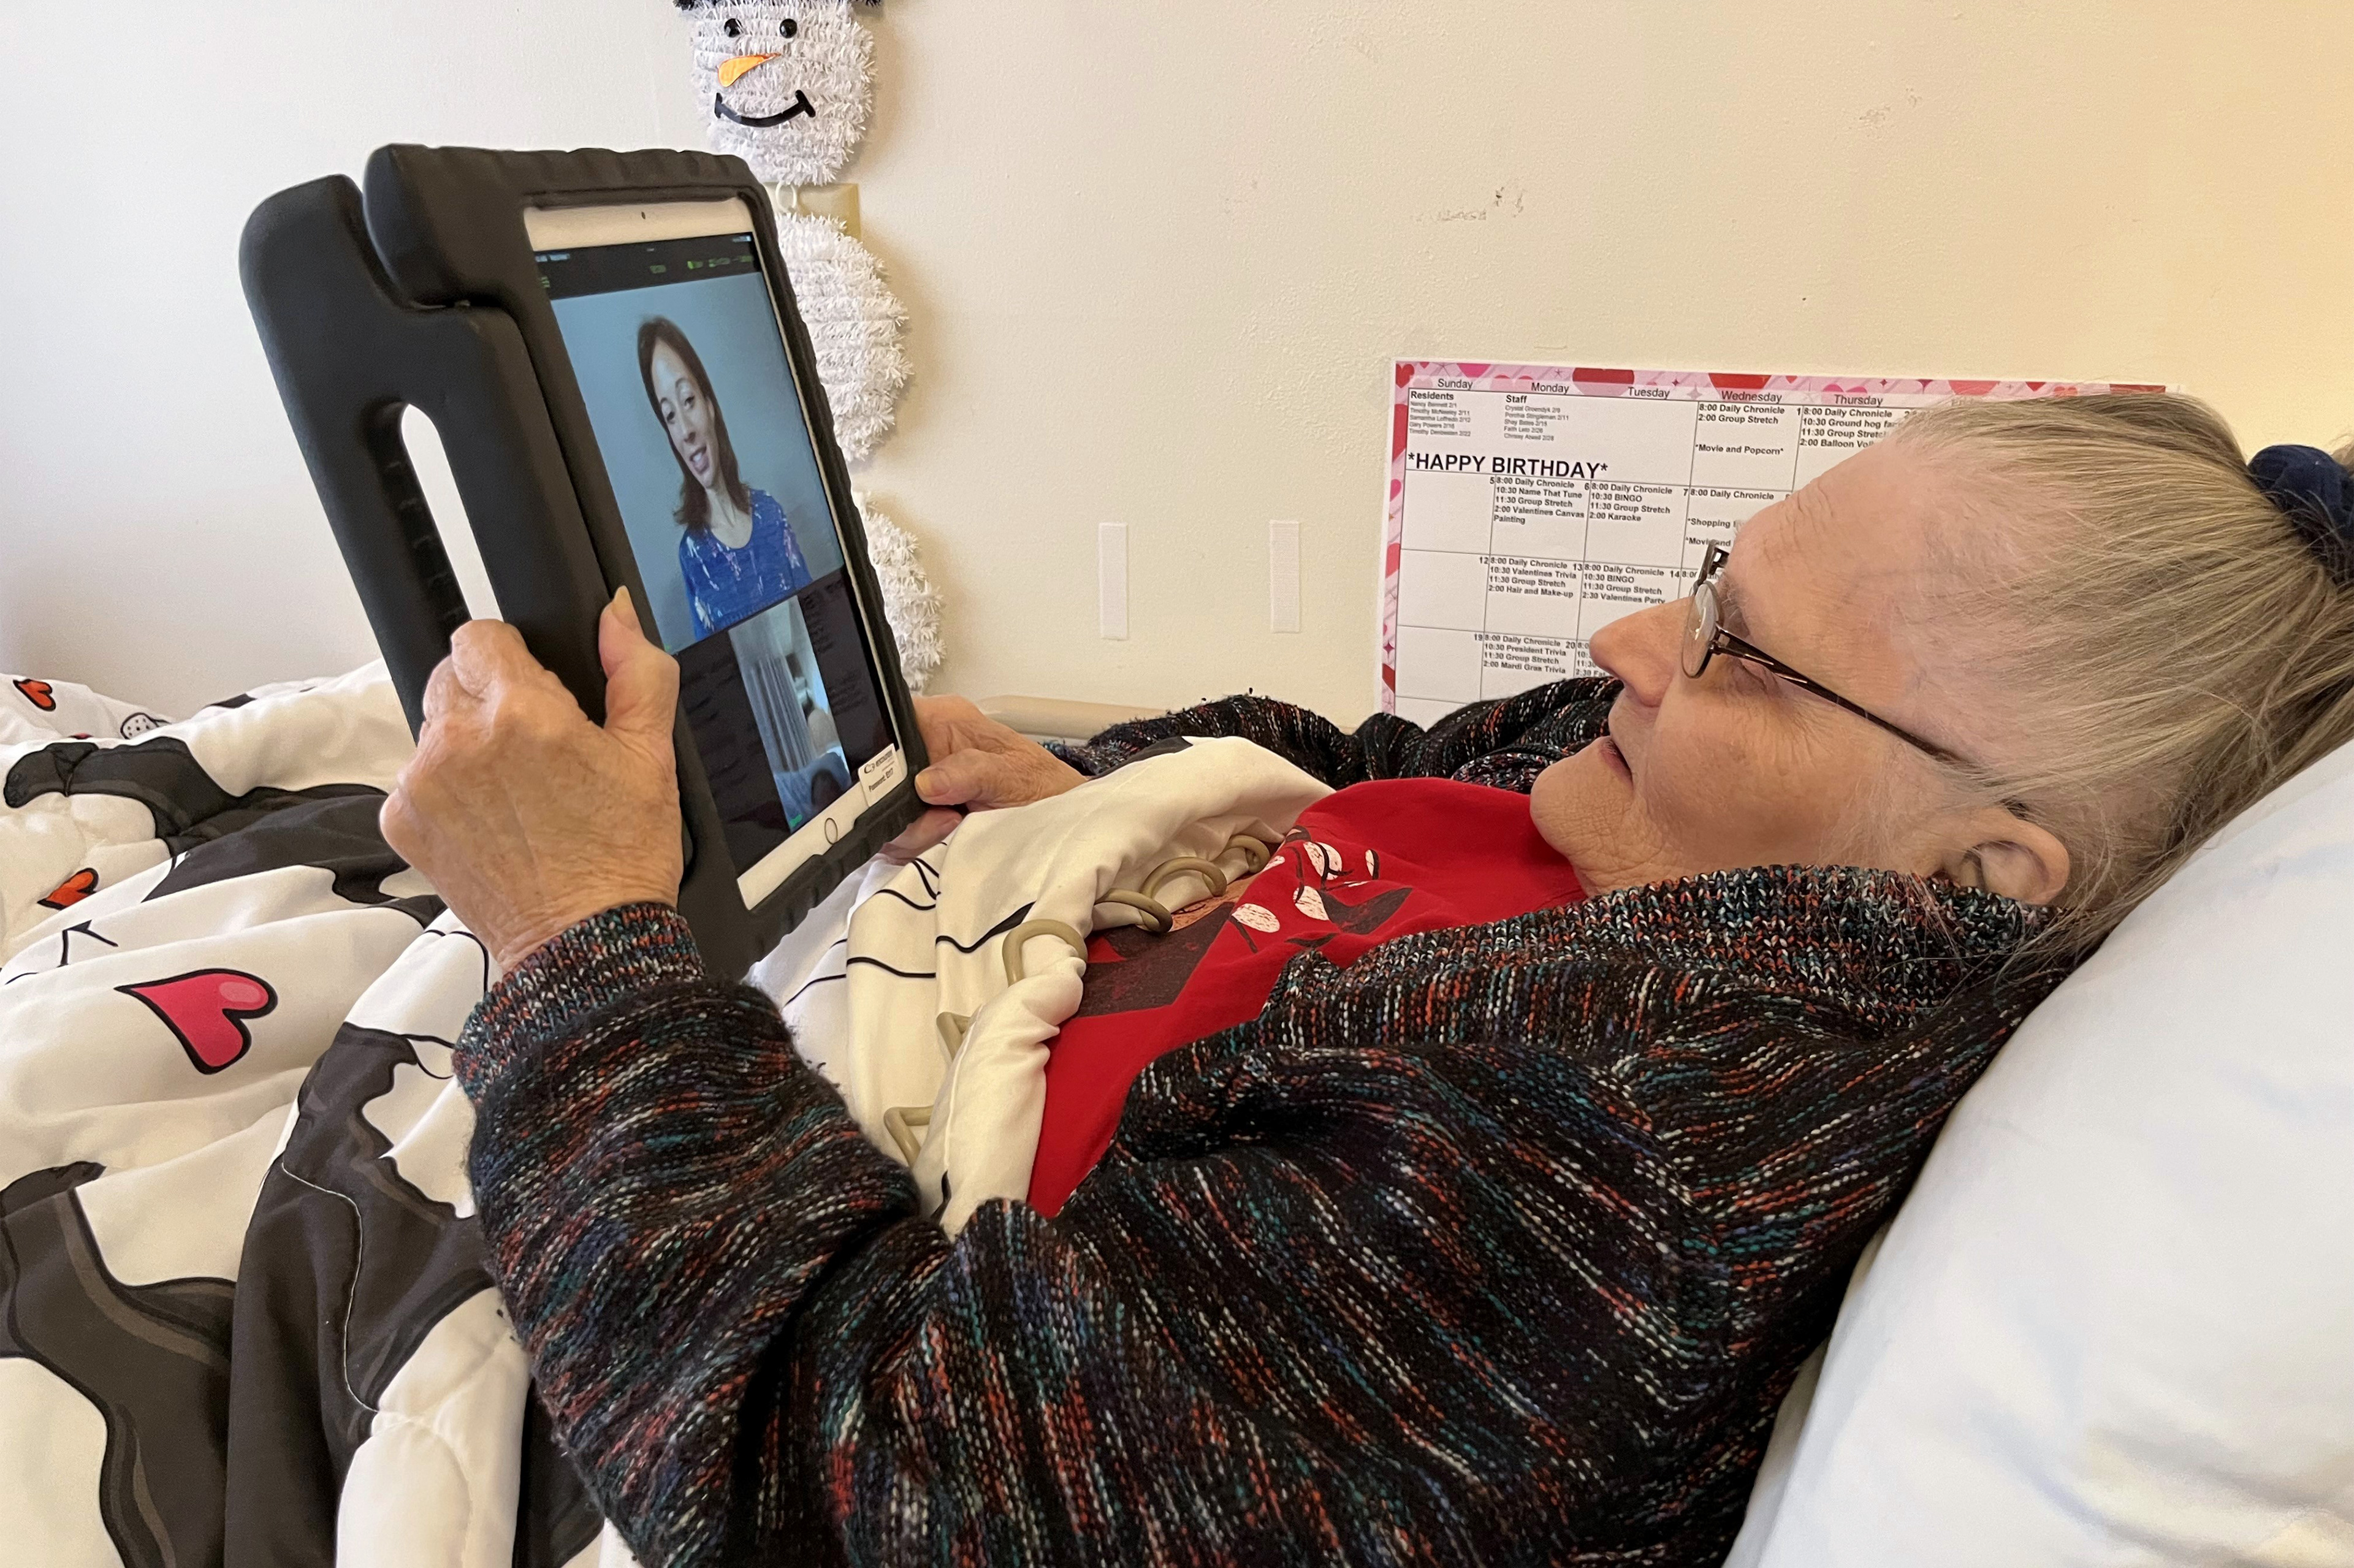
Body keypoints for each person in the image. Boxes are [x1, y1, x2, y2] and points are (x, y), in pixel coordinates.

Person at [382, 394, 2354, 1566]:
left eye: (1737, 649)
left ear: (1969, 874)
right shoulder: (1669, 826)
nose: (1626, 638)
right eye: (1700, 572)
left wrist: (574, 940)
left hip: (667, 1281)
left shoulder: (1620, 1163)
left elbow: (844, 1479)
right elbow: (1377, 761)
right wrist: (1104, 789)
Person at [637, 316, 812, 640]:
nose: (686, 430)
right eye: (670, 416)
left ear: (710, 404)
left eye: (688, 401)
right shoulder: (693, 555)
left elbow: (819, 623)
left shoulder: (772, 515)